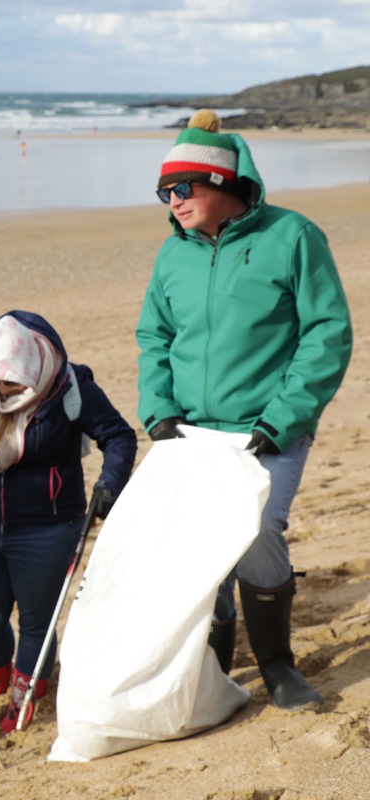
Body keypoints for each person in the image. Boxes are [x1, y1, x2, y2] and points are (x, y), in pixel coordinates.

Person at [136, 110, 352, 710]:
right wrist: (158, 412)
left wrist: (282, 417)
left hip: (270, 426)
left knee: (257, 534)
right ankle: (213, 663)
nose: (173, 201)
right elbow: (153, 336)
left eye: (183, 188)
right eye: (165, 192)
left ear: (222, 182)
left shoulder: (293, 237)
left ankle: (279, 667)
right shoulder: (171, 255)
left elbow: (327, 333)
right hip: (189, 431)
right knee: (203, 545)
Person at [0, 310, 136, 733]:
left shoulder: (69, 387)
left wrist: (108, 485)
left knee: (36, 626)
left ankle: (25, 697)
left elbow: (118, 436)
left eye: (9, 384)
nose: (0, 392)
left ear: (32, 372)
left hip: (50, 528)